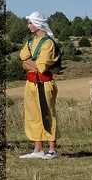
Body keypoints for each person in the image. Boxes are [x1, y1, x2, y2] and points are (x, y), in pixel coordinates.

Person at [18, 12, 60, 160]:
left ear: (38, 24)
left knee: (47, 114)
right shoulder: (30, 41)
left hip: (44, 84)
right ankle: (38, 149)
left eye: (30, 23)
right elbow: (23, 59)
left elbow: (41, 66)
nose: (28, 26)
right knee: (34, 115)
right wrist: (30, 64)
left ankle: (53, 149)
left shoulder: (48, 43)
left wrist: (29, 63)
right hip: (31, 83)